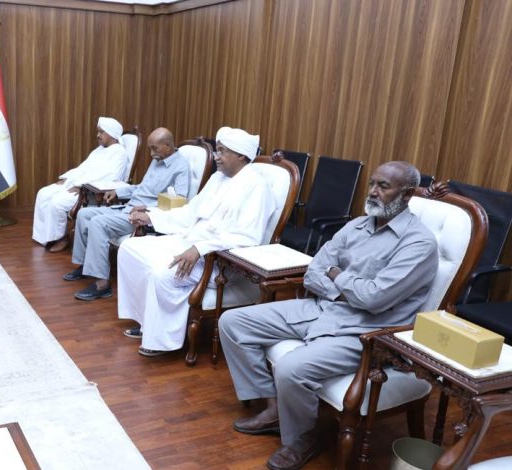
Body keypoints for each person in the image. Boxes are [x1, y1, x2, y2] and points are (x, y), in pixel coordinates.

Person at [218, 161, 437, 470]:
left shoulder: (418, 243)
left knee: (291, 368)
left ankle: (302, 438)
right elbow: (314, 272)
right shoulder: (357, 225)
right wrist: (343, 288)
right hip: (324, 306)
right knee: (232, 322)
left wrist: (337, 274)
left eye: (383, 186)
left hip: (365, 330)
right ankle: (274, 407)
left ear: (408, 194)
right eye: (372, 183)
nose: (373, 191)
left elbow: (374, 299)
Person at [116, 126, 276, 356]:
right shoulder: (218, 178)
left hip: (219, 260)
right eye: (217, 150)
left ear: (241, 155)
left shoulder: (257, 187)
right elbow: (190, 213)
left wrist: (199, 248)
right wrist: (152, 217)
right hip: (190, 242)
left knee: (161, 274)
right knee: (130, 248)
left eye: (222, 151)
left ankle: (162, 340)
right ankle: (148, 323)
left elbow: (246, 238)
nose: (216, 157)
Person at [64, 127, 190, 301]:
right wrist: (118, 192)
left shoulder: (181, 167)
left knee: (98, 223)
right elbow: (141, 188)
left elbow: (180, 202)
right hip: (127, 207)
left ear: (168, 145)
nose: (151, 153)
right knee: (84, 214)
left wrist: (148, 209)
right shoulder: (158, 159)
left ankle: (102, 284)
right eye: (150, 148)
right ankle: (85, 265)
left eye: (154, 148)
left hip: (141, 217)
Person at [32, 117, 128, 252]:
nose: (98, 135)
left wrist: (81, 186)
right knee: (43, 193)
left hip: (89, 191)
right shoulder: (99, 150)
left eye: (101, 132)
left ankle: (60, 237)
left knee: (57, 202)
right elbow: (82, 168)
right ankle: (44, 236)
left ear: (111, 134)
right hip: (76, 183)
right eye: (98, 131)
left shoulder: (119, 153)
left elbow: (110, 177)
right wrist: (66, 178)